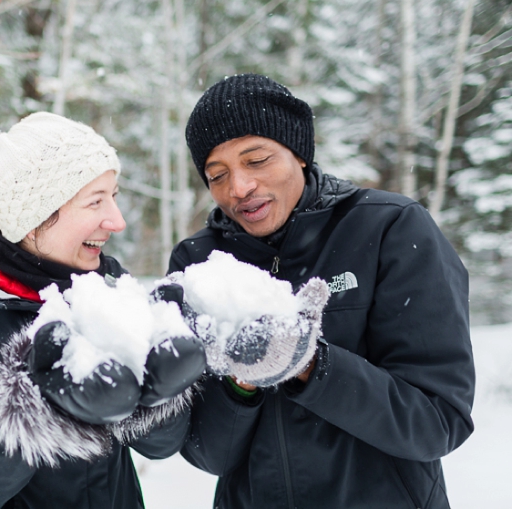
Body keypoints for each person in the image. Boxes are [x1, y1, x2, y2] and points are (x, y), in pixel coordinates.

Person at [170, 73, 475, 508]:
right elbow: (209, 453)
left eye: (256, 160)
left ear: (298, 154)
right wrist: (243, 381)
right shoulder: (198, 262)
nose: (238, 188)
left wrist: (310, 364)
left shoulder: (390, 227)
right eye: (217, 175)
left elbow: (436, 423)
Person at [0, 111, 205, 509]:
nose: (117, 220)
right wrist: (44, 403)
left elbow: (163, 446)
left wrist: (154, 394)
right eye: (96, 202)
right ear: (32, 220)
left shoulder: (107, 285)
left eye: (114, 196)